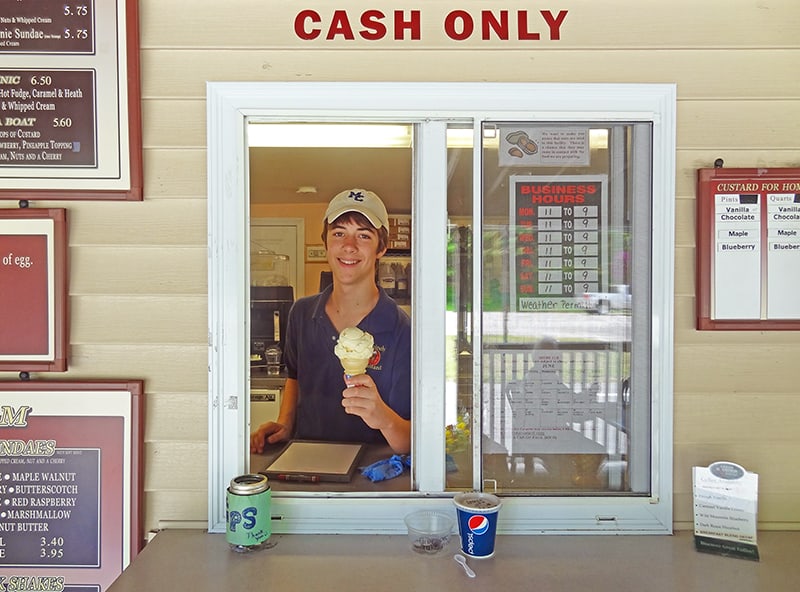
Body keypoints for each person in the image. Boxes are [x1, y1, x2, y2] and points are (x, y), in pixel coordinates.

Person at [250, 188, 411, 454]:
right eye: (339, 233)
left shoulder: (401, 329)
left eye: (363, 235)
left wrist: (382, 417)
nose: (349, 246)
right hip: (305, 463)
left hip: (371, 477)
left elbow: (410, 441)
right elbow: (295, 376)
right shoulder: (301, 314)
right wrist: (285, 424)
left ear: (381, 247)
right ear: (325, 242)